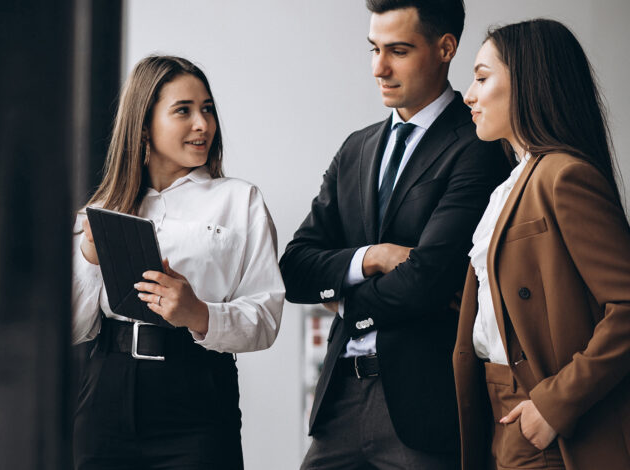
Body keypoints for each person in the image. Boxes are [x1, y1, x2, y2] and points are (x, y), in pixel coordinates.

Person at [280, 0, 509, 468]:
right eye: (374, 49)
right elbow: (294, 269)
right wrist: (372, 258)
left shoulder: (478, 146)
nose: (378, 68)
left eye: (398, 51)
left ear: (446, 48)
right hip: (340, 397)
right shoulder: (356, 147)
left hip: (424, 405)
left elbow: (430, 279)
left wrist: (345, 303)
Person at [70, 55, 284, 470]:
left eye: (207, 109)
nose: (202, 124)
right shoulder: (99, 210)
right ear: (144, 124)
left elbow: (266, 318)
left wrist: (199, 314)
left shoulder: (240, 201)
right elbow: (74, 328)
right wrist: (89, 259)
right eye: (183, 111)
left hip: (197, 395)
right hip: (106, 393)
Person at [455, 18, 630, 470]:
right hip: (495, 409)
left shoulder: (563, 176)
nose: (469, 96)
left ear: (528, 82)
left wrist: (554, 405)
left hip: (550, 419)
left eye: (481, 77)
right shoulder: (509, 186)